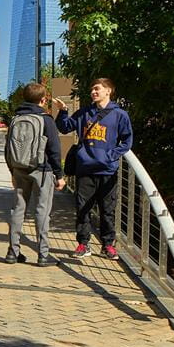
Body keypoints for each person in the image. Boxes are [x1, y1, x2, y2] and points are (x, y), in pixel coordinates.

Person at [56, 78, 134, 260]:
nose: (93, 92)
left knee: (107, 210)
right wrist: (63, 112)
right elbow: (65, 127)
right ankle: (83, 244)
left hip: (107, 170)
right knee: (82, 208)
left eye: (97, 89)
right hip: (85, 169)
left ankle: (108, 245)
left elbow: (127, 141)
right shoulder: (84, 113)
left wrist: (110, 155)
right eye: (92, 89)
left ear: (109, 91)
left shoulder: (120, 115)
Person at [5, 83, 65, 266]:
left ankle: (12, 252)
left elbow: (7, 147)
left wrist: (12, 171)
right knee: (42, 211)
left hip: (19, 169)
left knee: (17, 210)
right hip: (42, 170)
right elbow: (54, 149)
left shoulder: (16, 118)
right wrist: (59, 175)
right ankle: (43, 254)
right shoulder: (46, 119)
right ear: (43, 99)